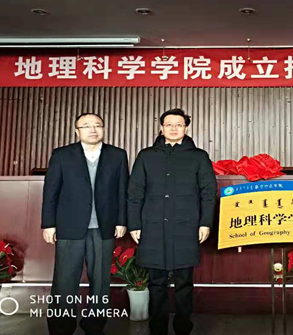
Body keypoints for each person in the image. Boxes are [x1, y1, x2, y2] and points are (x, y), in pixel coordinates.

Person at [127, 108, 216, 335]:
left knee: (184, 282)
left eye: (179, 124)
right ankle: (157, 328)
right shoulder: (146, 155)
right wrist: (134, 224)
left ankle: (183, 327)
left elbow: (208, 192)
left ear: (186, 127)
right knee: (156, 282)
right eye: (169, 124)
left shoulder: (199, 156)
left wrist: (205, 223)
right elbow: (134, 192)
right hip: (153, 226)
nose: (174, 128)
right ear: (161, 128)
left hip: (186, 226)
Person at [42, 113, 129, 335]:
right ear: (76, 131)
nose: (93, 129)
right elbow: (51, 192)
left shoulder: (117, 155)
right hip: (69, 227)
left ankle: (94, 325)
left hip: (104, 227)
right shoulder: (62, 155)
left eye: (97, 125)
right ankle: (61, 327)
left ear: (104, 129)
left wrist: (121, 221)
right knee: (65, 280)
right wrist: (49, 224)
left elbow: (122, 191)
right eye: (86, 126)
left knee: (101, 281)